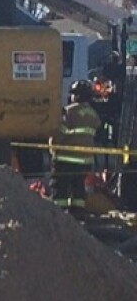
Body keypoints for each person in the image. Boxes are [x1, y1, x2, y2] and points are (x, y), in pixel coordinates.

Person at [49, 79, 102, 215]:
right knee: (78, 189)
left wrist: (52, 146)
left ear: (77, 95)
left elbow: (60, 134)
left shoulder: (69, 112)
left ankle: (58, 215)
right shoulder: (94, 115)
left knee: (60, 188)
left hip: (65, 159)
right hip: (85, 161)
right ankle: (78, 215)